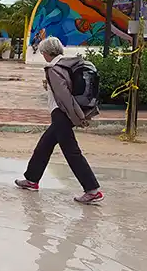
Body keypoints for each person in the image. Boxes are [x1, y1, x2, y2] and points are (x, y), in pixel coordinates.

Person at [15, 37, 103, 204]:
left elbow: (64, 96)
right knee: (44, 145)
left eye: (42, 53)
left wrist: (77, 117)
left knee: (71, 151)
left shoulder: (54, 69)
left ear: (46, 53)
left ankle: (92, 190)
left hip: (61, 114)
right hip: (64, 113)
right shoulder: (67, 63)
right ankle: (32, 179)